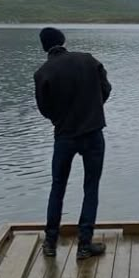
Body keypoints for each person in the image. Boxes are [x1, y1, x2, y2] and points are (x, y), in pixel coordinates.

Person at [34, 27, 111, 260]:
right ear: (63, 41)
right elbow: (106, 89)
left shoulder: (42, 73)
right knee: (91, 188)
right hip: (93, 133)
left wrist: (60, 119)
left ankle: (50, 242)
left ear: (44, 47)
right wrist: (93, 109)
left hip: (64, 136)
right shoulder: (88, 60)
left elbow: (44, 109)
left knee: (57, 188)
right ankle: (84, 245)